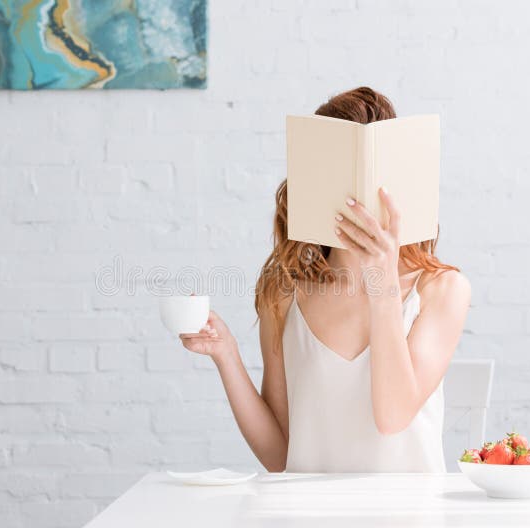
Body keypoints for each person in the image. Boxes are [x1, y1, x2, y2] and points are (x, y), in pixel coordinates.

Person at [179, 87, 471, 473]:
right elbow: (279, 454)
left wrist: (381, 282)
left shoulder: (441, 290)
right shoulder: (284, 294)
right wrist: (227, 356)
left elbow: (393, 417)